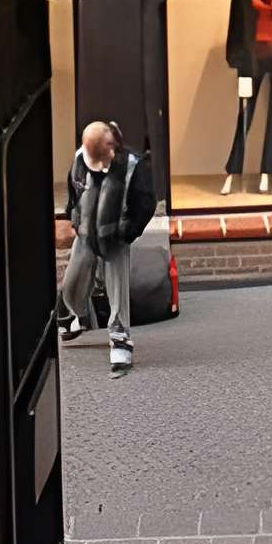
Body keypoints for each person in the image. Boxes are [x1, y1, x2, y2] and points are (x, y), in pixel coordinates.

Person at [60, 118, 156, 375]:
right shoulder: (81, 158)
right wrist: (73, 217)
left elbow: (146, 205)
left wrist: (128, 232)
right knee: (72, 281)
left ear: (112, 148)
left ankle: (120, 339)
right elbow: (74, 189)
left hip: (116, 236)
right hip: (86, 232)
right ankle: (76, 315)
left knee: (117, 286)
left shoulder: (133, 166)